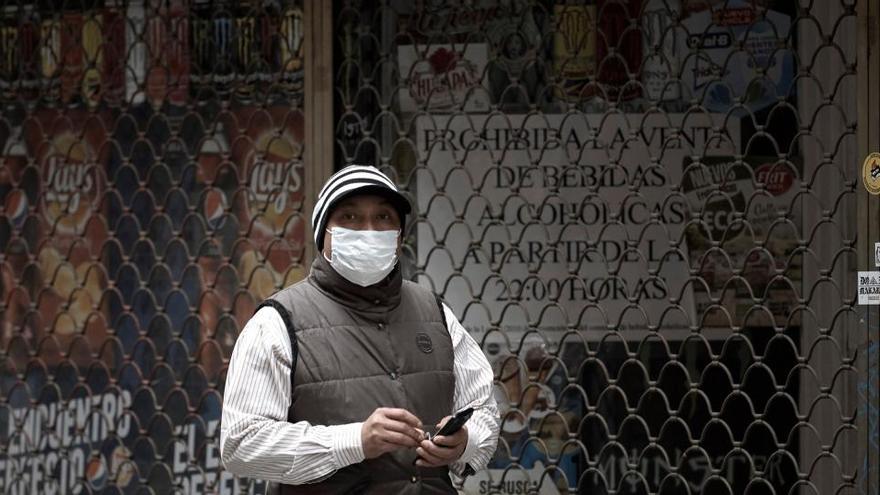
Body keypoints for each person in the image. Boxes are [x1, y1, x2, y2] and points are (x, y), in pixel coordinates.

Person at [220, 165, 499, 494]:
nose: (368, 231)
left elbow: (483, 409)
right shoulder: (278, 322)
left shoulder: (434, 313)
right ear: (324, 233)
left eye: (383, 218)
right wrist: (354, 442)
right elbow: (241, 443)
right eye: (349, 218)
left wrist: (466, 442)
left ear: (399, 234)